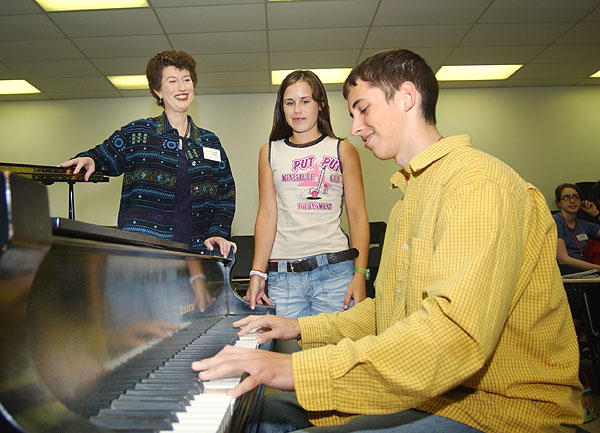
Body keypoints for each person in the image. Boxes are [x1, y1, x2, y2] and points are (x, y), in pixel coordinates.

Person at [192, 49, 583, 433]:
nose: (357, 126)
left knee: (273, 403)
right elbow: (390, 315)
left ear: (407, 97)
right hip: (434, 393)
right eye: (352, 114)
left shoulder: (477, 184)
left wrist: (293, 367)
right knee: (260, 408)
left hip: (495, 409)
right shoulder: (408, 199)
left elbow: (452, 338)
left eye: (363, 109)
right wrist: (296, 328)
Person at [60, 50, 235, 315]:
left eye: (186, 79)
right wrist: (90, 159)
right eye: (172, 81)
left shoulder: (209, 142)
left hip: (196, 265)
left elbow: (225, 193)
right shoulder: (138, 133)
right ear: (157, 90)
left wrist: (217, 232)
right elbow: (103, 155)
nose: (182, 87)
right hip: (142, 267)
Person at [245, 70, 369, 317]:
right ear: (282, 108)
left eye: (305, 101)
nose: (297, 110)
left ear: (320, 104)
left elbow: (357, 216)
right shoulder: (269, 152)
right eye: (290, 103)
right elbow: (267, 216)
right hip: (284, 277)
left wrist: (360, 275)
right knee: (286, 356)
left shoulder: (342, 150)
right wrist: (257, 273)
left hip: (335, 272)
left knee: (336, 355)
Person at [553, 183, 600, 271]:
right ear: (559, 203)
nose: (572, 201)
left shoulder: (583, 224)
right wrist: (597, 268)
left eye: (576, 197)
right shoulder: (555, 222)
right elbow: (563, 259)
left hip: (587, 273)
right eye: (566, 198)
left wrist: (596, 214)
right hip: (568, 275)